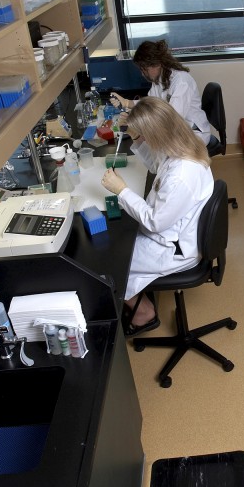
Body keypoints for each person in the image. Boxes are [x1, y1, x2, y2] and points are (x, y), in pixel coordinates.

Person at [100, 96, 215, 336]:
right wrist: (136, 136)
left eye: (145, 135)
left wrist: (122, 190)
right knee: (115, 244)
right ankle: (138, 297)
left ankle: (143, 312)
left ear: (157, 134)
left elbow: (155, 222)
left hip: (172, 247)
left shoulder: (182, 175)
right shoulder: (182, 144)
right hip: (176, 232)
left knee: (107, 265)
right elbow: (156, 165)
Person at [109, 40, 216, 154]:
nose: (143, 74)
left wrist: (138, 124)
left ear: (157, 64)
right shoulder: (159, 80)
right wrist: (127, 102)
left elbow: (171, 120)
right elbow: (151, 104)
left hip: (192, 133)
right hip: (176, 130)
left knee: (157, 153)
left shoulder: (181, 82)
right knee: (152, 151)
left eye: (144, 69)